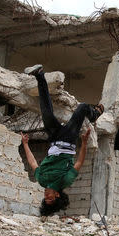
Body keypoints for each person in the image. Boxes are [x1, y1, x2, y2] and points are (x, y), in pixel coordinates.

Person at [21, 64, 104, 216]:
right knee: (83, 107)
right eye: (50, 199)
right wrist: (84, 143)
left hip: (53, 139)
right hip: (68, 140)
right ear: (57, 195)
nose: (46, 196)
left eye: (45, 198)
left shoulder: (41, 180)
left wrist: (26, 144)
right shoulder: (65, 181)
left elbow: (33, 163)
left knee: (46, 111)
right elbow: (78, 163)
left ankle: (39, 75)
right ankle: (94, 115)